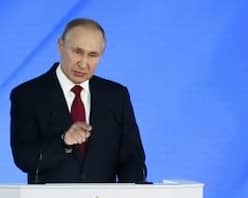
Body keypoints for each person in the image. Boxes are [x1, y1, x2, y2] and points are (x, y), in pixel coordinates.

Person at [10, 18, 146, 184]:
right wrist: (64, 141)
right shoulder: (28, 95)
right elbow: (25, 159)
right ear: (61, 45)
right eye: (77, 52)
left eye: (92, 55)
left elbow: (132, 159)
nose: (83, 64)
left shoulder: (116, 96)